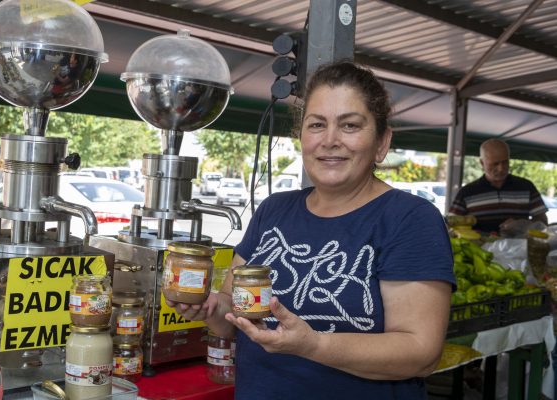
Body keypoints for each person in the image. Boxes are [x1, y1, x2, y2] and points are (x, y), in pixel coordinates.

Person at [167, 61, 455, 399]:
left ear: (381, 142)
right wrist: (209, 308)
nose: (330, 140)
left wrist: (313, 344)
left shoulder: (409, 219)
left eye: (349, 125)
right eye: (317, 125)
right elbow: (234, 316)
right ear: (301, 136)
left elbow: (420, 352)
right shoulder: (274, 210)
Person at [449, 138, 548, 234]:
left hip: (519, 248)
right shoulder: (467, 192)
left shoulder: (526, 187)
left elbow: (543, 221)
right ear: (482, 163)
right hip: (479, 249)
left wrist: (522, 225)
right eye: (495, 164)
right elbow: (450, 224)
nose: (501, 168)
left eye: (505, 162)